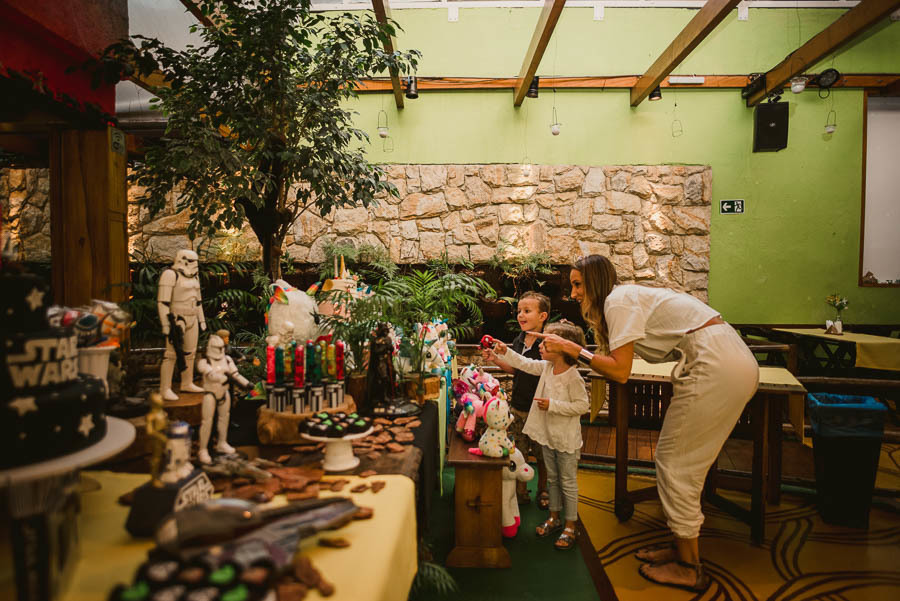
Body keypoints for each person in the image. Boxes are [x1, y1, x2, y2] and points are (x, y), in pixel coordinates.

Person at [532, 255, 759, 592]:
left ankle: (690, 567)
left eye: (578, 285)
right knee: (674, 460)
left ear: (595, 282)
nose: (574, 293)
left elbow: (619, 370)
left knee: (676, 465)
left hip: (716, 362)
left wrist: (571, 347)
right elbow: (615, 364)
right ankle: (681, 547)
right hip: (719, 356)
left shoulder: (617, 300)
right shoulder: (623, 300)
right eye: (572, 286)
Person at [485, 321, 589, 551]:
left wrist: (553, 405)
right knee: (552, 478)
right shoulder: (546, 368)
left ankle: (571, 525)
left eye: (546, 342)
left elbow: (582, 405)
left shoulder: (573, 377)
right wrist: (505, 351)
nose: (540, 345)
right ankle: (554, 517)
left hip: (565, 439)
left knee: (568, 483)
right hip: (548, 435)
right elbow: (525, 363)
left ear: (563, 349)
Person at [482, 291, 551, 509]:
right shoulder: (519, 340)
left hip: (540, 408)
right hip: (519, 405)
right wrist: (495, 359)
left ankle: (543, 490)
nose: (521, 315)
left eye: (527, 311)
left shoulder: (548, 343)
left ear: (543, 316)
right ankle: (521, 489)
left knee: (542, 455)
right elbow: (515, 369)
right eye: (519, 311)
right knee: (518, 450)